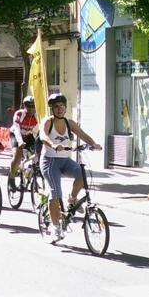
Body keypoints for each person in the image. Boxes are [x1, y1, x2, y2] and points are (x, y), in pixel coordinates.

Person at [39, 93, 102, 243]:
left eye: (62, 106)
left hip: (65, 161)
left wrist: (93, 144)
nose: (60, 109)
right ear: (52, 108)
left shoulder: (69, 123)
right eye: (56, 106)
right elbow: (43, 136)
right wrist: (53, 144)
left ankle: (72, 199)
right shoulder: (48, 122)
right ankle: (55, 228)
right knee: (55, 193)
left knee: (82, 174)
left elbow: (83, 134)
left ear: (66, 108)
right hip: (49, 162)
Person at [9, 96, 40, 181]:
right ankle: (11, 178)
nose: (31, 109)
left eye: (33, 106)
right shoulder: (19, 114)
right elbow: (16, 129)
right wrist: (20, 142)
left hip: (28, 135)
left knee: (38, 154)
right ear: (24, 106)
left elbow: (39, 131)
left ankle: (30, 177)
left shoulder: (37, 116)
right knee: (17, 157)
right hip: (15, 135)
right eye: (28, 106)